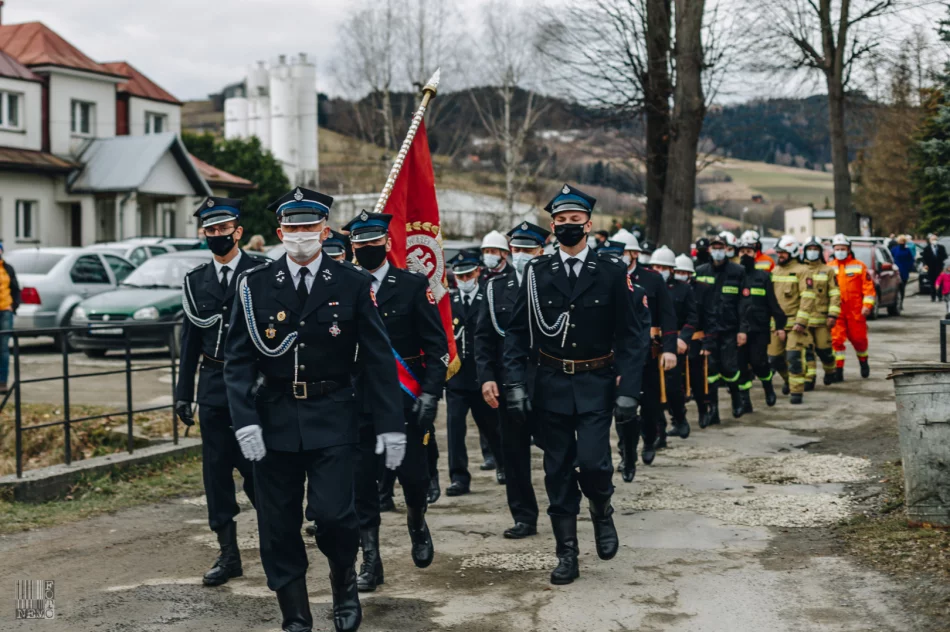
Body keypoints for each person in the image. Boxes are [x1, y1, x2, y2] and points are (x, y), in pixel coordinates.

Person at [224, 187, 405, 632]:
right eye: (292, 227)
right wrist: (244, 420)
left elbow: (379, 360)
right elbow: (238, 360)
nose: (300, 234)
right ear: (279, 231)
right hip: (274, 418)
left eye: (309, 227)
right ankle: (296, 614)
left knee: (333, 517)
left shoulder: (353, 283)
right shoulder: (255, 285)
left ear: (324, 230)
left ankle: (343, 583)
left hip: (333, 415)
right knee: (278, 523)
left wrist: (390, 425)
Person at [504, 184, 649, 585]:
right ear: (552, 226)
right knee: (557, 472)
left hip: (595, 382)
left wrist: (628, 390)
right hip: (549, 385)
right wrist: (515, 383)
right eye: (562, 220)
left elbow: (633, 336)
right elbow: (517, 334)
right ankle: (566, 553)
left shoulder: (612, 271)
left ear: (588, 224)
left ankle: (602, 511)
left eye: (575, 220)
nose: (569, 226)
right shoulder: (536, 273)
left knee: (596, 465)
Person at [342, 210, 448, 593]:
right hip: (355, 402)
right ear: (352, 247)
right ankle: (370, 558)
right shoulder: (343, 285)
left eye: (374, 241)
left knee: (414, 479)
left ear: (387, 243)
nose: (367, 248)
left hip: (404, 403)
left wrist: (431, 393)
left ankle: (417, 521)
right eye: (360, 243)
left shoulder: (412, 286)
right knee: (360, 485)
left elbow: (437, 348)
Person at [176, 198, 260, 587]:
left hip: (254, 390)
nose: (217, 236)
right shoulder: (196, 281)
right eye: (210, 230)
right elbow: (191, 340)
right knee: (215, 473)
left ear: (237, 231)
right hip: (212, 387)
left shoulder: (261, 272)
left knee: (260, 469)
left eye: (223, 229)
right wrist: (183, 392)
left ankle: (280, 541)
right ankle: (228, 553)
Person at [475, 221, 550, 539]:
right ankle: (524, 516)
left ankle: (564, 506)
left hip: (549, 380)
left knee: (557, 450)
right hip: (510, 381)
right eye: (516, 249)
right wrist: (487, 377)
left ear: (541, 251)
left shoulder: (552, 282)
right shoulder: (494, 288)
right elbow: (483, 338)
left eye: (527, 249)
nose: (521, 255)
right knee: (514, 452)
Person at [444, 249, 505, 496]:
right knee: (455, 430)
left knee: (493, 427)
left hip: (483, 377)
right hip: (457, 378)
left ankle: (502, 464)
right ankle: (459, 477)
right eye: (460, 276)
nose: (465, 280)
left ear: (477, 272)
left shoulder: (487, 297)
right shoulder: (449, 302)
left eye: (469, 274)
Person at [622, 239, 678, 466]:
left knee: (650, 403)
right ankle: (626, 451)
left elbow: (668, 316)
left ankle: (649, 439)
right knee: (622, 405)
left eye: (623, 251)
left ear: (634, 254)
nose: (619, 255)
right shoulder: (606, 277)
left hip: (650, 351)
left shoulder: (652, 279)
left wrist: (669, 349)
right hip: (622, 353)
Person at [695, 234, 746, 423]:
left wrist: (742, 330)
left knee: (730, 367)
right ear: (709, 250)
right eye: (714, 247)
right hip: (708, 331)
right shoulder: (700, 271)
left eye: (721, 247)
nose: (717, 250)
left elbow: (743, 304)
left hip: (729, 329)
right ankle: (713, 410)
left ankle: (736, 398)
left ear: (727, 249)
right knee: (711, 371)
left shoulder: (737, 271)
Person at [651, 246, 696, 442]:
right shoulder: (645, 285)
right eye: (656, 266)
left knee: (672, 387)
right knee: (652, 389)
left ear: (671, 269)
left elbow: (692, 317)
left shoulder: (683, 289)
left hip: (673, 342)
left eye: (664, 267)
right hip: (650, 343)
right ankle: (659, 433)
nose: (659, 270)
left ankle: (679, 418)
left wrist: (683, 338)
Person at [736, 236, 786, 413]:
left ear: (755, 254)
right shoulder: (734, 276)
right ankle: (745, 401)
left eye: (748, 252)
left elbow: (773, 303)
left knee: (759, 362)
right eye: (742, 252)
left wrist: (780, 325)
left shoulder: (763, 276)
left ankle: (768, 386)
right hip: (738, 330)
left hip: (759, 328)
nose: (745, 255)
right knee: (741, 366)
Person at [767, 236, 812, 404]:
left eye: (783, 253)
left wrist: (801, 321)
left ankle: (796, 392)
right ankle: (789, 380)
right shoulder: (775, 271)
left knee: (793, 356)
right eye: (778, 252)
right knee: (774, 358)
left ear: (792, 252)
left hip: (795, 323)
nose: (780, 255)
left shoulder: (802, 271)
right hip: (775, 324)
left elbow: (807, 297)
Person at [827, 234, 875, 381]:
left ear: (848, 249)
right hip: (836, 311)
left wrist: (867, 305)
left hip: (856, 310)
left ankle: (863, 362)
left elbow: (868, 288)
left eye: (843, 248)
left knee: (859, 339)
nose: (840, 251)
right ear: (833, 250)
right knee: (836, 341)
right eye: (837, 249)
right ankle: (838, 370)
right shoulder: (828, 268)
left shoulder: (859, 266)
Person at [675, 254, 714, 425]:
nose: (681, 275)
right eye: (678, 271)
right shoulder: (669, 288)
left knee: (698, 378)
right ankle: (678, 417)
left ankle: (702, 410)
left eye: (684, 272)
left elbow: (710, 318)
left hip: (696, 340)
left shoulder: (703, 289)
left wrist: (708, 342)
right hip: (674, 340)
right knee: (675, 381)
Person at [800, 237, 840, 388]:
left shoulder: (828, 271)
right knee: (807, 351)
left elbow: (835, 293)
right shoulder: (800, 270)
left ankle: (830, 370)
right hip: (804, 319)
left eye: (815, 249)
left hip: (822, 319)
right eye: (809, 249)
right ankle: (809, 378)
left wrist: (832, 314)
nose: (812, 252)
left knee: (824, 350)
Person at [0, 240, 20, 394]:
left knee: (4, 348)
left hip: (5, 311)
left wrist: (13, 306)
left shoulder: (7, 269)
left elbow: (15, 289)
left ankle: (2, 382)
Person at [922, 234, 948, 303]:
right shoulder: (927, 248)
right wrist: (925, 265)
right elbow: (924, 258)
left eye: (935, 239)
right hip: (931, 268)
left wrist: (939, 257)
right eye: (932, 239)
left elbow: (945, 256)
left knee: (940, 282)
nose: (934, 241)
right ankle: (933, 296)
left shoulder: (941, 247)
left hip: (939, 267)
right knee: (932, 283)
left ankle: (940, 296)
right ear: (930, 241)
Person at [889, 235, 915, 303]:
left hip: (904, 271)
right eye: (900, 241)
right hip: (896, 270)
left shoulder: (907, 250)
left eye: (903, 241)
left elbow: (911, 260)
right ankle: (896, 301)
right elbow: (890, 259)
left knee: (902, 287)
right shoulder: (894, 249)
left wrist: (909, 268)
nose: (902, 242)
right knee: (897, 287)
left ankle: (901, 302)